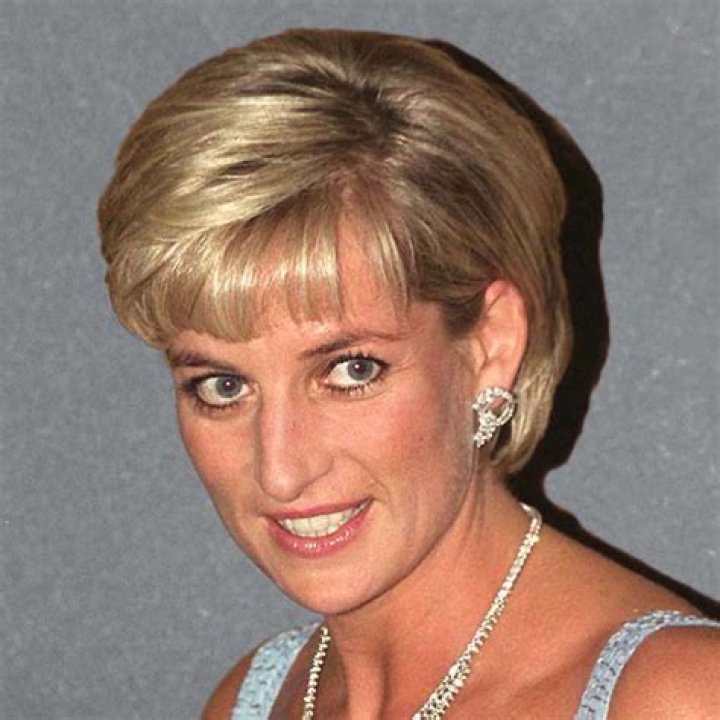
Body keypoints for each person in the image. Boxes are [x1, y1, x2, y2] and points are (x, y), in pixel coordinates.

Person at [98, 29, 718, 719]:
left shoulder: (680, 699)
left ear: (490, 344)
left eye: (350, 370)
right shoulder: (254, 700)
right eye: (223, 386)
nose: (281, 471)